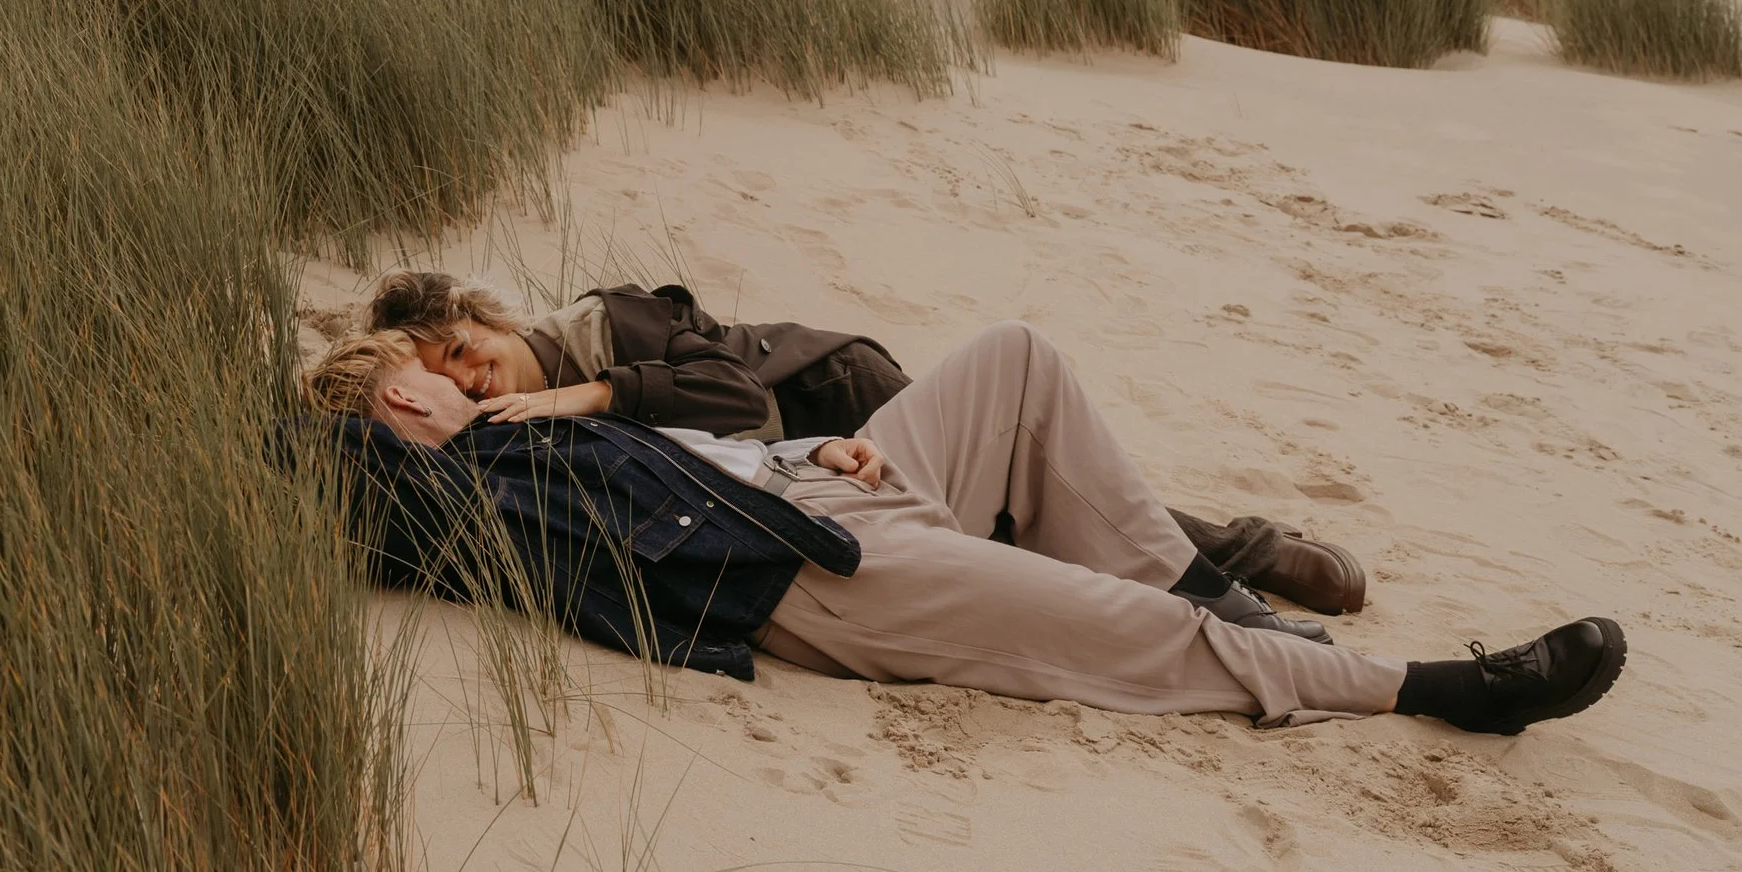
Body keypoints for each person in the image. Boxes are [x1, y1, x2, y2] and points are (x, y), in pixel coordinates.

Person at [295, 323, 1627, 735]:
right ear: (384, 408)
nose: (436, 379)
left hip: (810, 485)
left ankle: (1223, 589)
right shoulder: (436, 490)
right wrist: (407, 424)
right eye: (404, 380)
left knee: (1019, 361)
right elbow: (314, 463)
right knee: (1116, 633)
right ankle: (1441, 688)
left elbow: (715, 425)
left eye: (432, 367)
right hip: (805, 576)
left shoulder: (536, 424)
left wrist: (815, 444)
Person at [361, 272, 1366, 619]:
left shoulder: (602, 326)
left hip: (835, 395)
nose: (470, 377)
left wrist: (585, 397)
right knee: (1024, 528)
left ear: (488, 322)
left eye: (466, 349)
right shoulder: (504, 440)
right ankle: (1214, 569)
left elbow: (731, 392)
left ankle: (1241, 552)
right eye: (447, 379)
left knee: (1036, 502)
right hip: (814, 480)